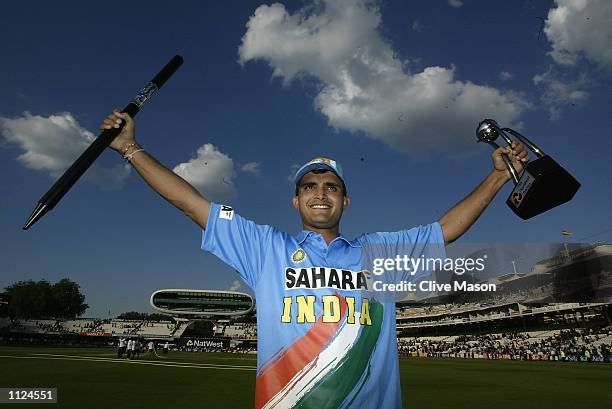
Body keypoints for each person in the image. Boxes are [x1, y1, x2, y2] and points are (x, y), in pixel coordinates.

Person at [100, 110, 529, 408]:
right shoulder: (264, 247)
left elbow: (446, 229)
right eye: (309, 186)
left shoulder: (377, 253)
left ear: (346, 200)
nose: (320, 193)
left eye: (330, 186)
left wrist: (495, 176)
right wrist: (130, 149)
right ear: (295, 200)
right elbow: (191, 202)